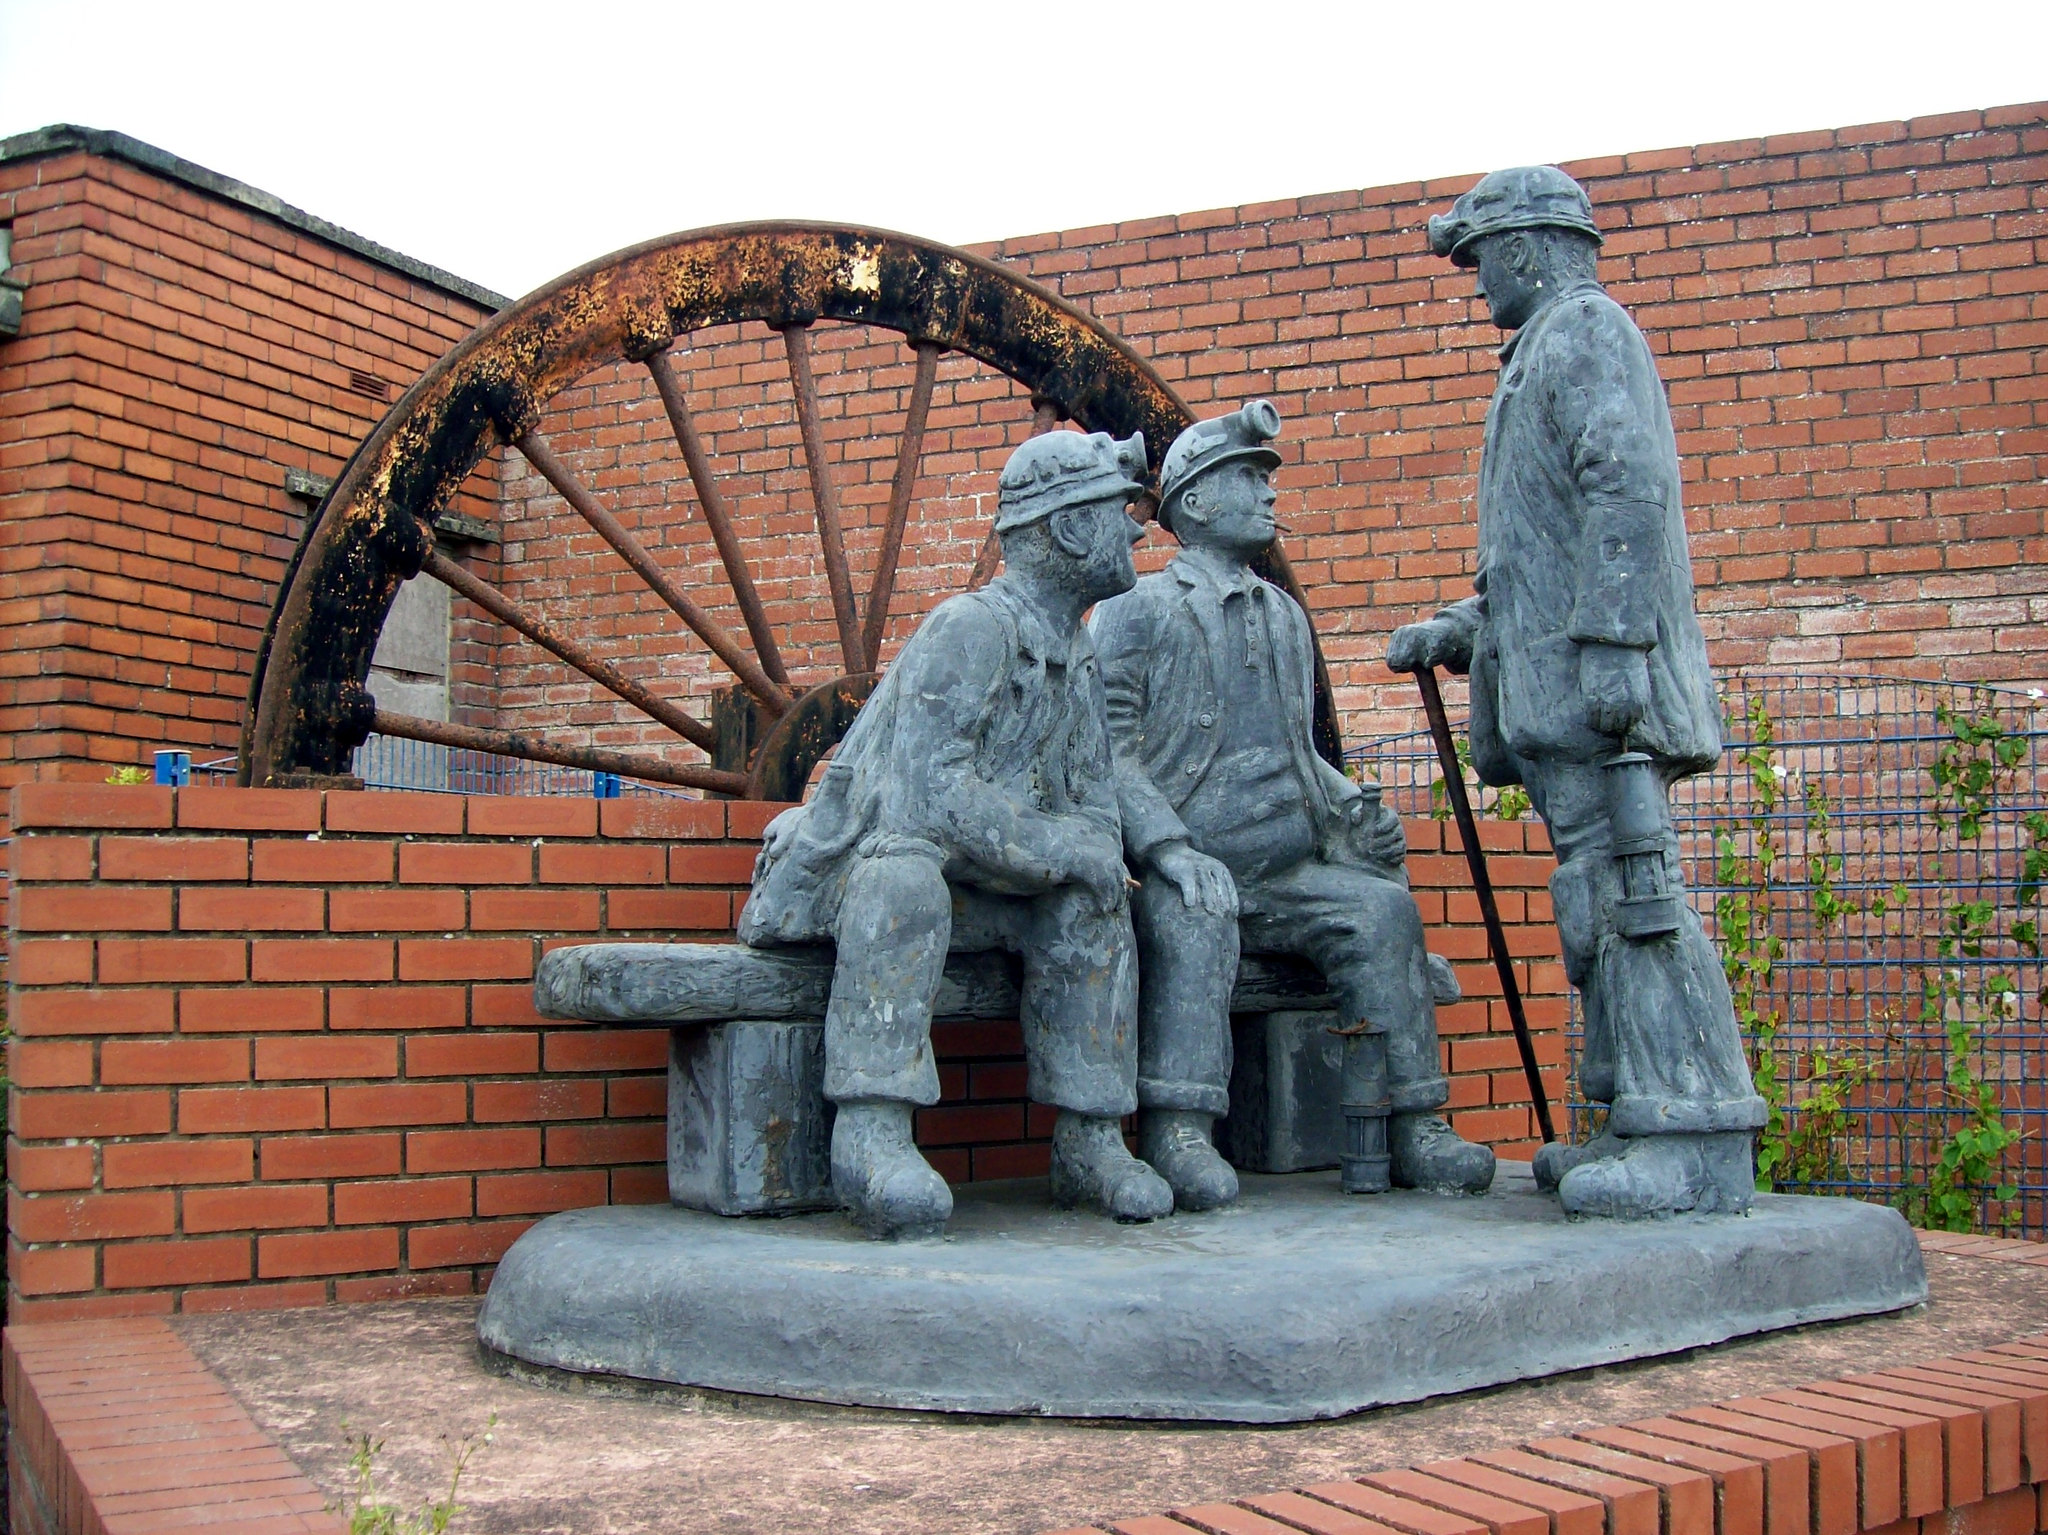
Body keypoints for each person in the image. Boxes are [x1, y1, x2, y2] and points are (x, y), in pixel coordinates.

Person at [1388, 166, 1765, 1218]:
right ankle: (1629, 1121)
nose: (1475, 286)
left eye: (1477, 264)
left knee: (1639, 903)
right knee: (1595, 902)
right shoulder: (1544, 350)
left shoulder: (1585, 332)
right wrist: (1465, 630)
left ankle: (1694, 1138)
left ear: (1519, 248)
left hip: (1608, 693)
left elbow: (1624, 489)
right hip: (1567, 687)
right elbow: (1539, 548)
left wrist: (1607, 643)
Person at [739, 428, 1173, 1239]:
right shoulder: (969, 629)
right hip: (867, 863)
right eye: (1120, 512)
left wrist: (1087, 854)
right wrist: (1062, 848)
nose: (1137, 529)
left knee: (1095, 901)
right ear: (1073, 530)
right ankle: (872, 1132)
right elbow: (930, 797)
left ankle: (1089, 1141)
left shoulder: (1076, 650)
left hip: (983, 881)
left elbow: (1093, 797)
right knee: (903, 883)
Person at [1092, 401, 1496, 1210]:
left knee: (1384, 914)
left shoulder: (1283, 616)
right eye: (1250, 477)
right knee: (1194, 920)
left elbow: (1297, 750)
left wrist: (1352, 809)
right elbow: (1108, 753)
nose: (1270, 494)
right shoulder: (1138, 610)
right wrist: (1170, 852)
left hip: (1288, 871)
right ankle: (1178, 1128)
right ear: (1196, 504)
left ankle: (1416, 1126)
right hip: (1189, 866)